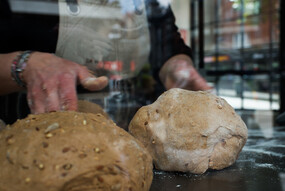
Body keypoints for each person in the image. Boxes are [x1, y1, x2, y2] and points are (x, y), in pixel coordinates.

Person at [0, 0, 211, 125]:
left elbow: (167, 43)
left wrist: (176, 66)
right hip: (36, 135)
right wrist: (23, 65)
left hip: (137, 137)